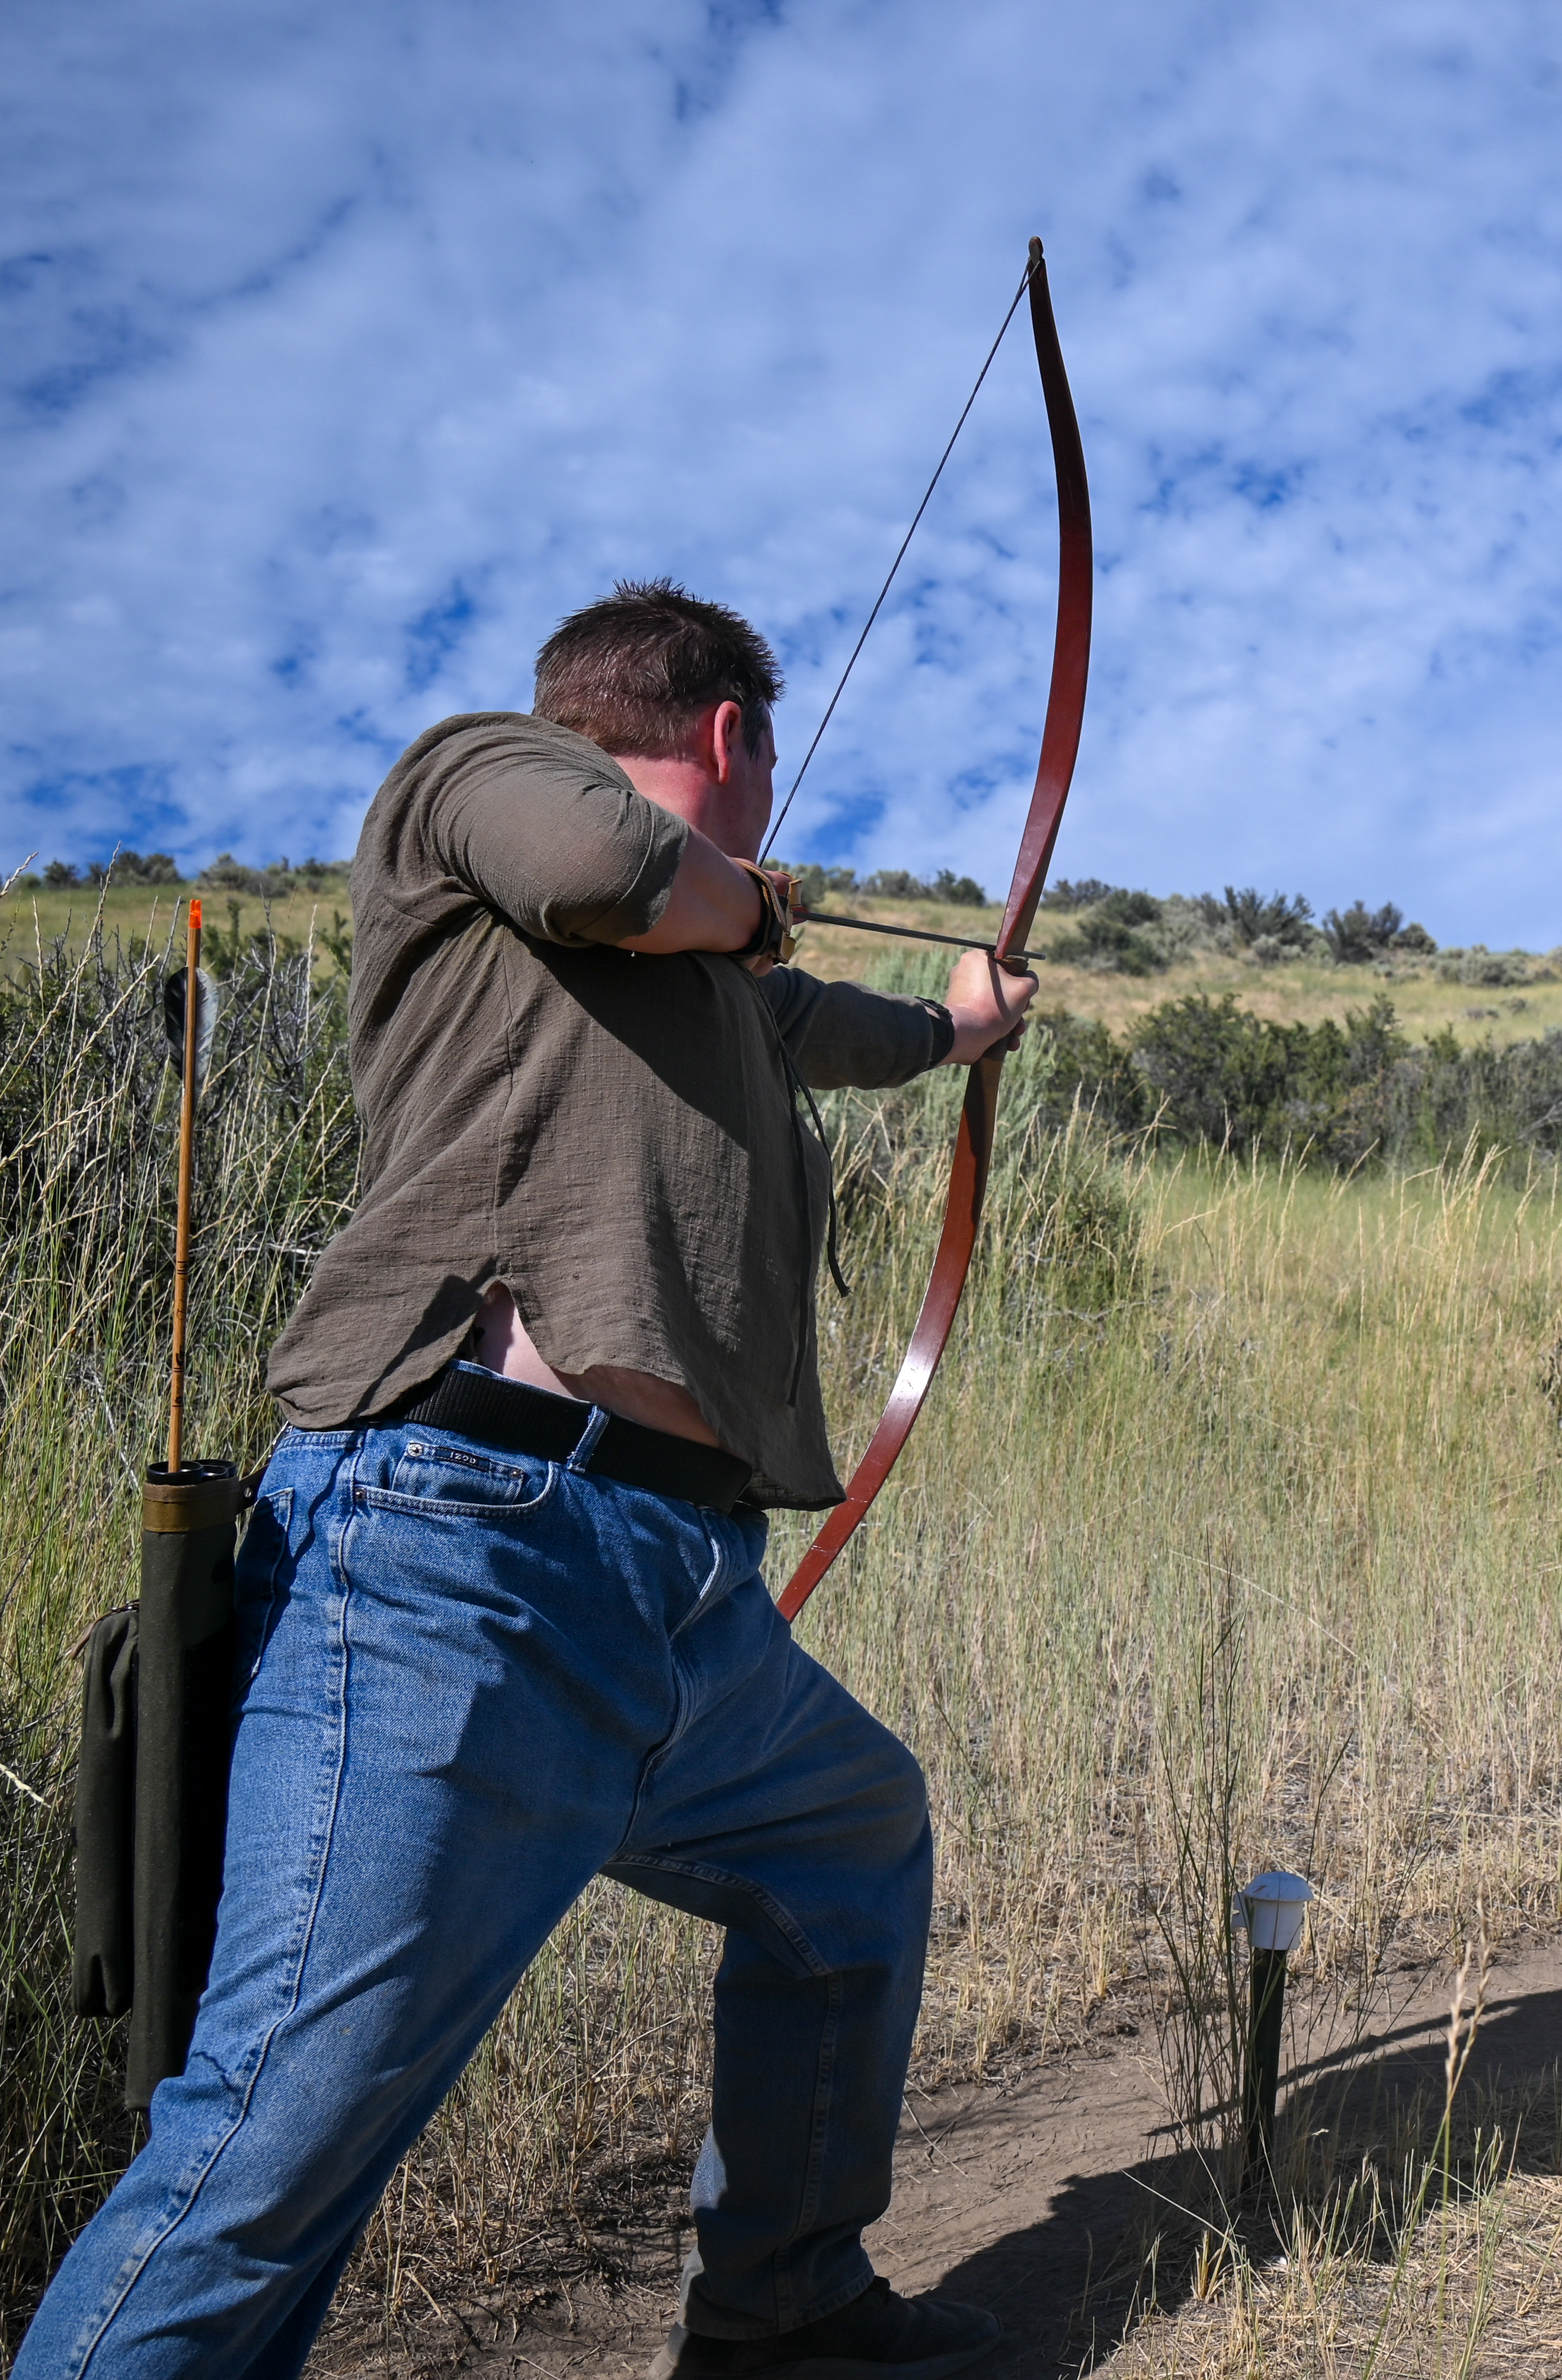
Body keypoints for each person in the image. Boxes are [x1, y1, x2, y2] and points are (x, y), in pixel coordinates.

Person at [16, 582, 1038, 2380]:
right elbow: (606, 868)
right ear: (728, 736)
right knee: (273, 2146)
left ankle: (787, 2317)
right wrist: (755, 901)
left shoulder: (729, 989)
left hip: (678, 1603)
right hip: (456, 1561)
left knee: (852, 1846)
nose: (771, 792)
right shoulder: (479, 780)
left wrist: (957, 1026)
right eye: (767, 760)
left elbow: (839, 1028)